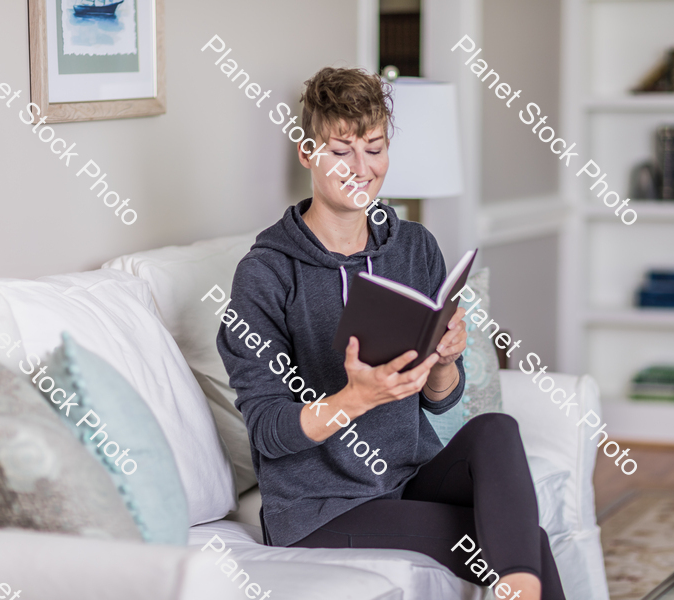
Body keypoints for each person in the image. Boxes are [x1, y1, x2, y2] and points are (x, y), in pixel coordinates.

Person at [217, 66, 566, 600]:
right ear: (307, 153)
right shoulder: (265, 274)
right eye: (341, 151)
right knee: (526, 544)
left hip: (406, 476)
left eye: (374, 148)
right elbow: (268, 432)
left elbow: (441, 402)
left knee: (495, 428)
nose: (362, 168)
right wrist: (354, 400)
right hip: (320, 509)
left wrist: (447, 359)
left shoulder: (413, 247)